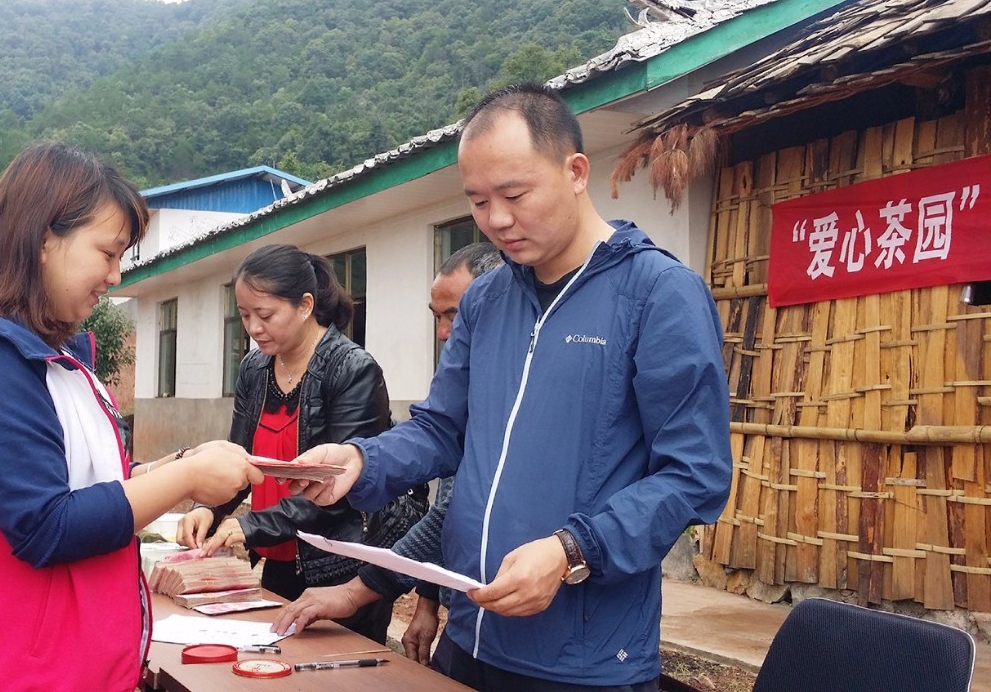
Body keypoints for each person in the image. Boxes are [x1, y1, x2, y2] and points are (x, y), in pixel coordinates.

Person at [288, 82, 732, 691]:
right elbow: (442, 428)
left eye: (515, 194)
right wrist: (362, 459)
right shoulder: (487, 301)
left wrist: (572, 550)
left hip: (585, 658)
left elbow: (694, 474)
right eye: (477, 201)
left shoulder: (659, 294)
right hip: (471, 634)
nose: (497, 220)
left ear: (576, 171)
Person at [0, 143, 264, 692]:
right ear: (44, 238)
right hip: (9, 672)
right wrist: (185, 478)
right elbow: (47, 525)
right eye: (108, 253)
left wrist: (179, 465)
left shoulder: (53, 360)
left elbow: (86, 483)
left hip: (65, 667)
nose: (114, 277)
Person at [271, 241, 502, 664]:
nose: (445, 333)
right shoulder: (256, 369)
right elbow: (448, 492)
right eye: (439, 317)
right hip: (469, 620)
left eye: (457, 314)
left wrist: (357, 590)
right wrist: (429, 602)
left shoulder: (353, 368)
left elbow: (450, 510)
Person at [175, 243, 418, 644]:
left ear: (305, 305)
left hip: (341, 569)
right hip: (280, 555)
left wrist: (249, 525)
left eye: (265, 315)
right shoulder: (254, 369)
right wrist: (209, 509)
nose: (253, 328)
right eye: (244, 315)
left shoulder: (353, 369)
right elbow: (237, 459)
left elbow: (340, 487)